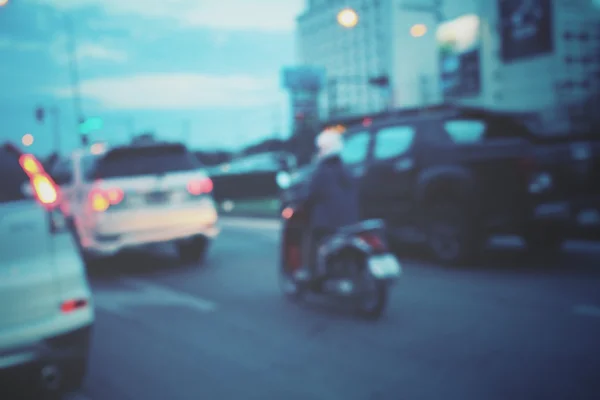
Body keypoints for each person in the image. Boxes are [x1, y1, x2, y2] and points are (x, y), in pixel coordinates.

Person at [299, 128, 361, 281]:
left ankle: (309, 271)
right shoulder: (346, 169)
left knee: (309, 236)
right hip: (352, 222)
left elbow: (310, 195)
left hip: (327, 225)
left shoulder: (321, 172)